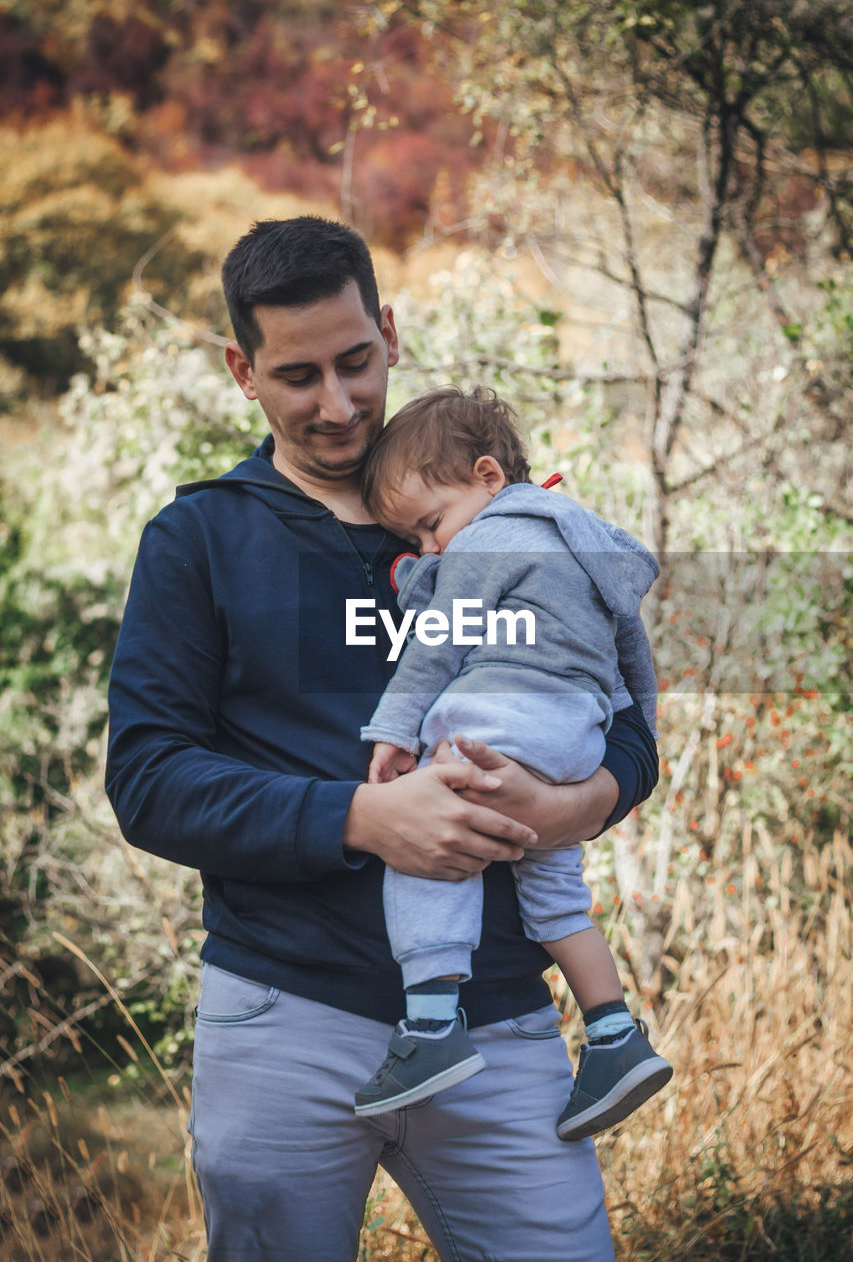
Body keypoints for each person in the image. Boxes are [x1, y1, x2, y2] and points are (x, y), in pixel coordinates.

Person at [106, 215, 659, 1262]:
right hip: (283, 1011)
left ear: (391, 332)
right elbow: (149, 779)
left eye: (356, 362)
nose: (337, 402)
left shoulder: (498, 513)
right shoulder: (200, 540)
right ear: (242, 369)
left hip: (499, 1018)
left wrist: (580, 803)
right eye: (297, 374)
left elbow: (623, 716)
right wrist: (364, 816)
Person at [353, 386, 672, 1139]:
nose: (433, 547)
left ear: (488, 477)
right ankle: (614, 1037)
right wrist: (635, 748)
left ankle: (432, 1027)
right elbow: (634, 662)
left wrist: (394, 732)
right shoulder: (584, 540)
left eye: (431, 525)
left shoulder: (490, 537)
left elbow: (437, 643)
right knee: (555, 889)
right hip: (574, 737)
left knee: (430, 839)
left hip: (504, 714)